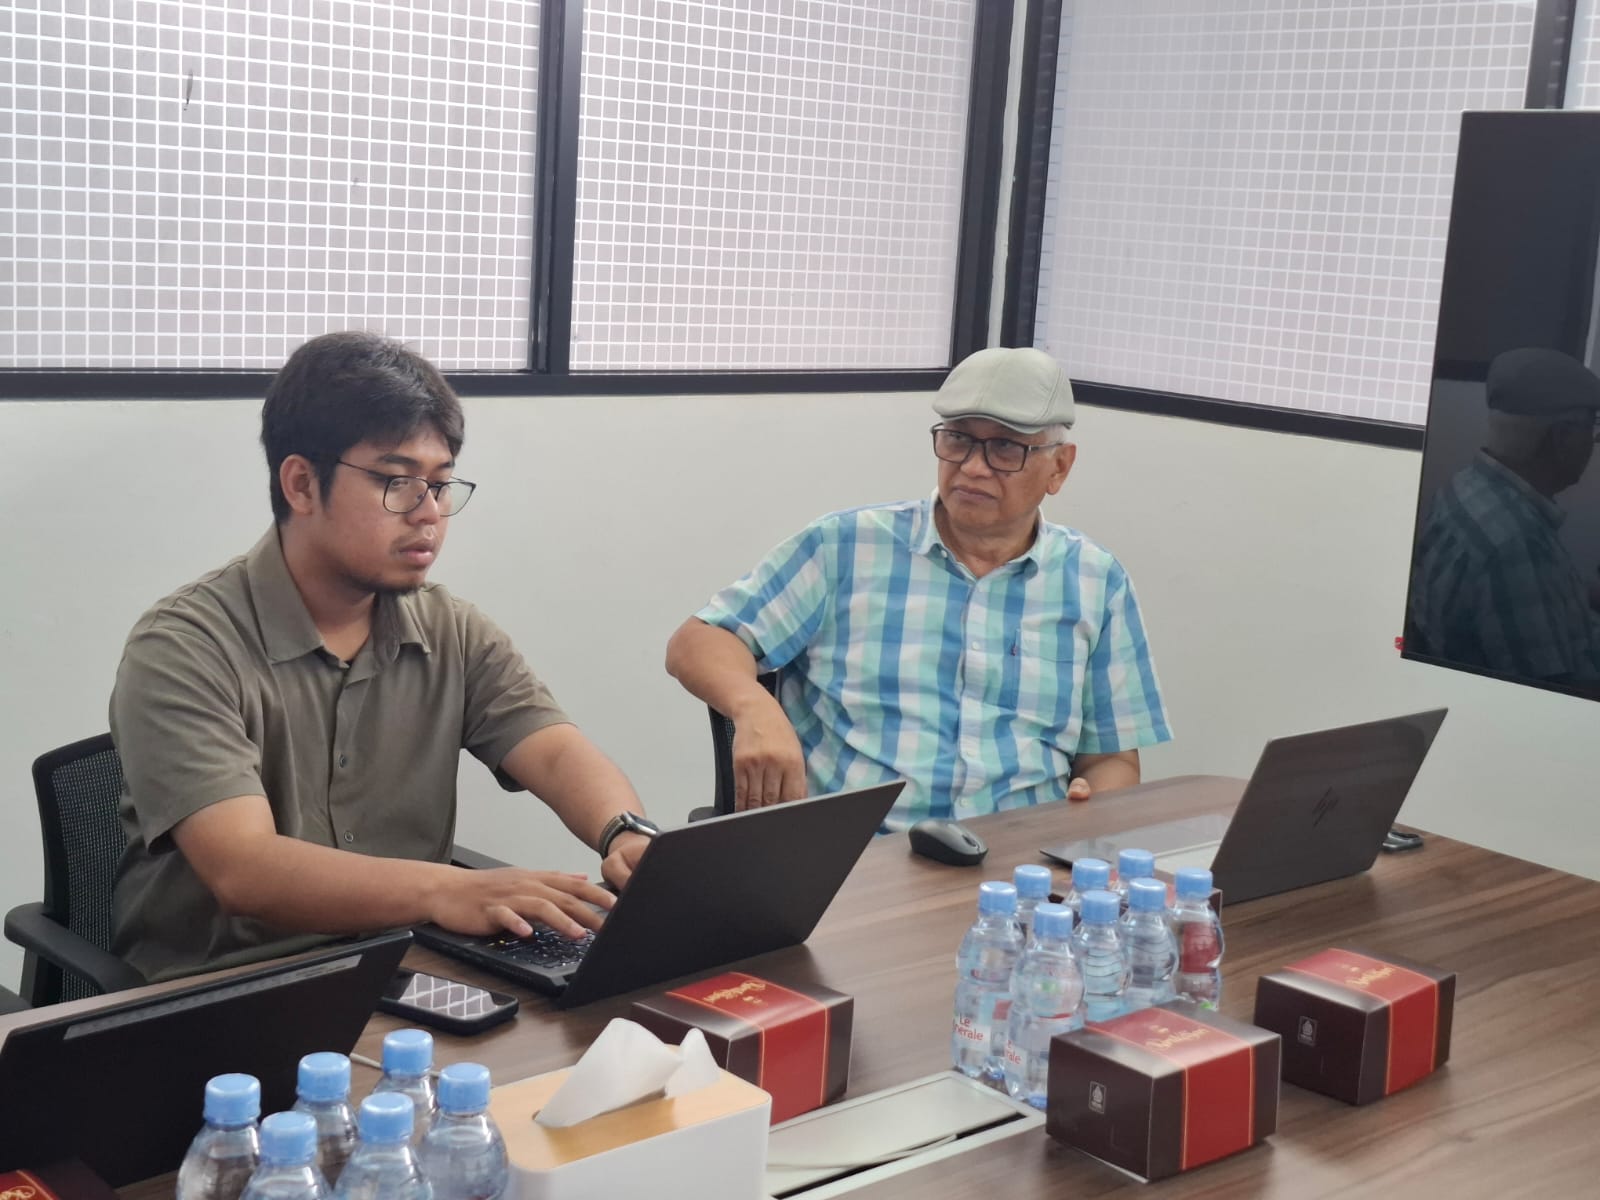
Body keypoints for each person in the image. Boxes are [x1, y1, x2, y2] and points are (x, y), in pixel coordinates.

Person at [110, 332, 658, 982]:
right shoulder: (183, 646)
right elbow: (244, 868)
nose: (428, 514)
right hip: (225, 991)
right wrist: (449, 889)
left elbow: (556, 751)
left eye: (441, 485)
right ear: (302, 484)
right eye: (398, 482)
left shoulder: (452, 629)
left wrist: (624, 832)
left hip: (403, 967)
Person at [665, 346, 1171, 830]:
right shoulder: (845, 547)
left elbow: (1110, 757)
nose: (973, 466)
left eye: (1005, 448)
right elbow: (698, 641)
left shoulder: (1094, 580)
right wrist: (753, 706)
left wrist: (1089, 814)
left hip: (1021, 861)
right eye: (958, 440)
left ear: (1059, 466)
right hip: (859, 857)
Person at [1408, 346, 1600, 688]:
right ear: (1561, 437)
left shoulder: (1464, 487)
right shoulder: (1518, 547)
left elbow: (1522, 602)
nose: (1593, 441)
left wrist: (1582, 595)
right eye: (1591, 427)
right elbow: (1556, 695)